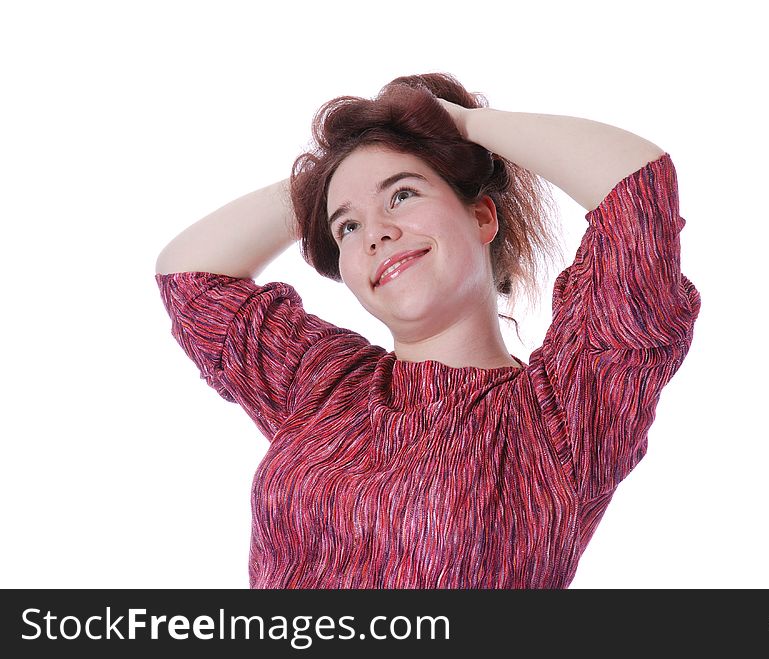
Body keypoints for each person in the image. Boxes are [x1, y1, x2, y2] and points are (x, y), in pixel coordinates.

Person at [155, 72, 701, 589]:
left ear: (483, 217)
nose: (376, 234)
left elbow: (636, 190)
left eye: (403, 195)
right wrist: (328, 175)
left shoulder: (564, 416)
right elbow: (190, 277)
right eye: (347, 226)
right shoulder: (324, 385)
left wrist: (459, 126)